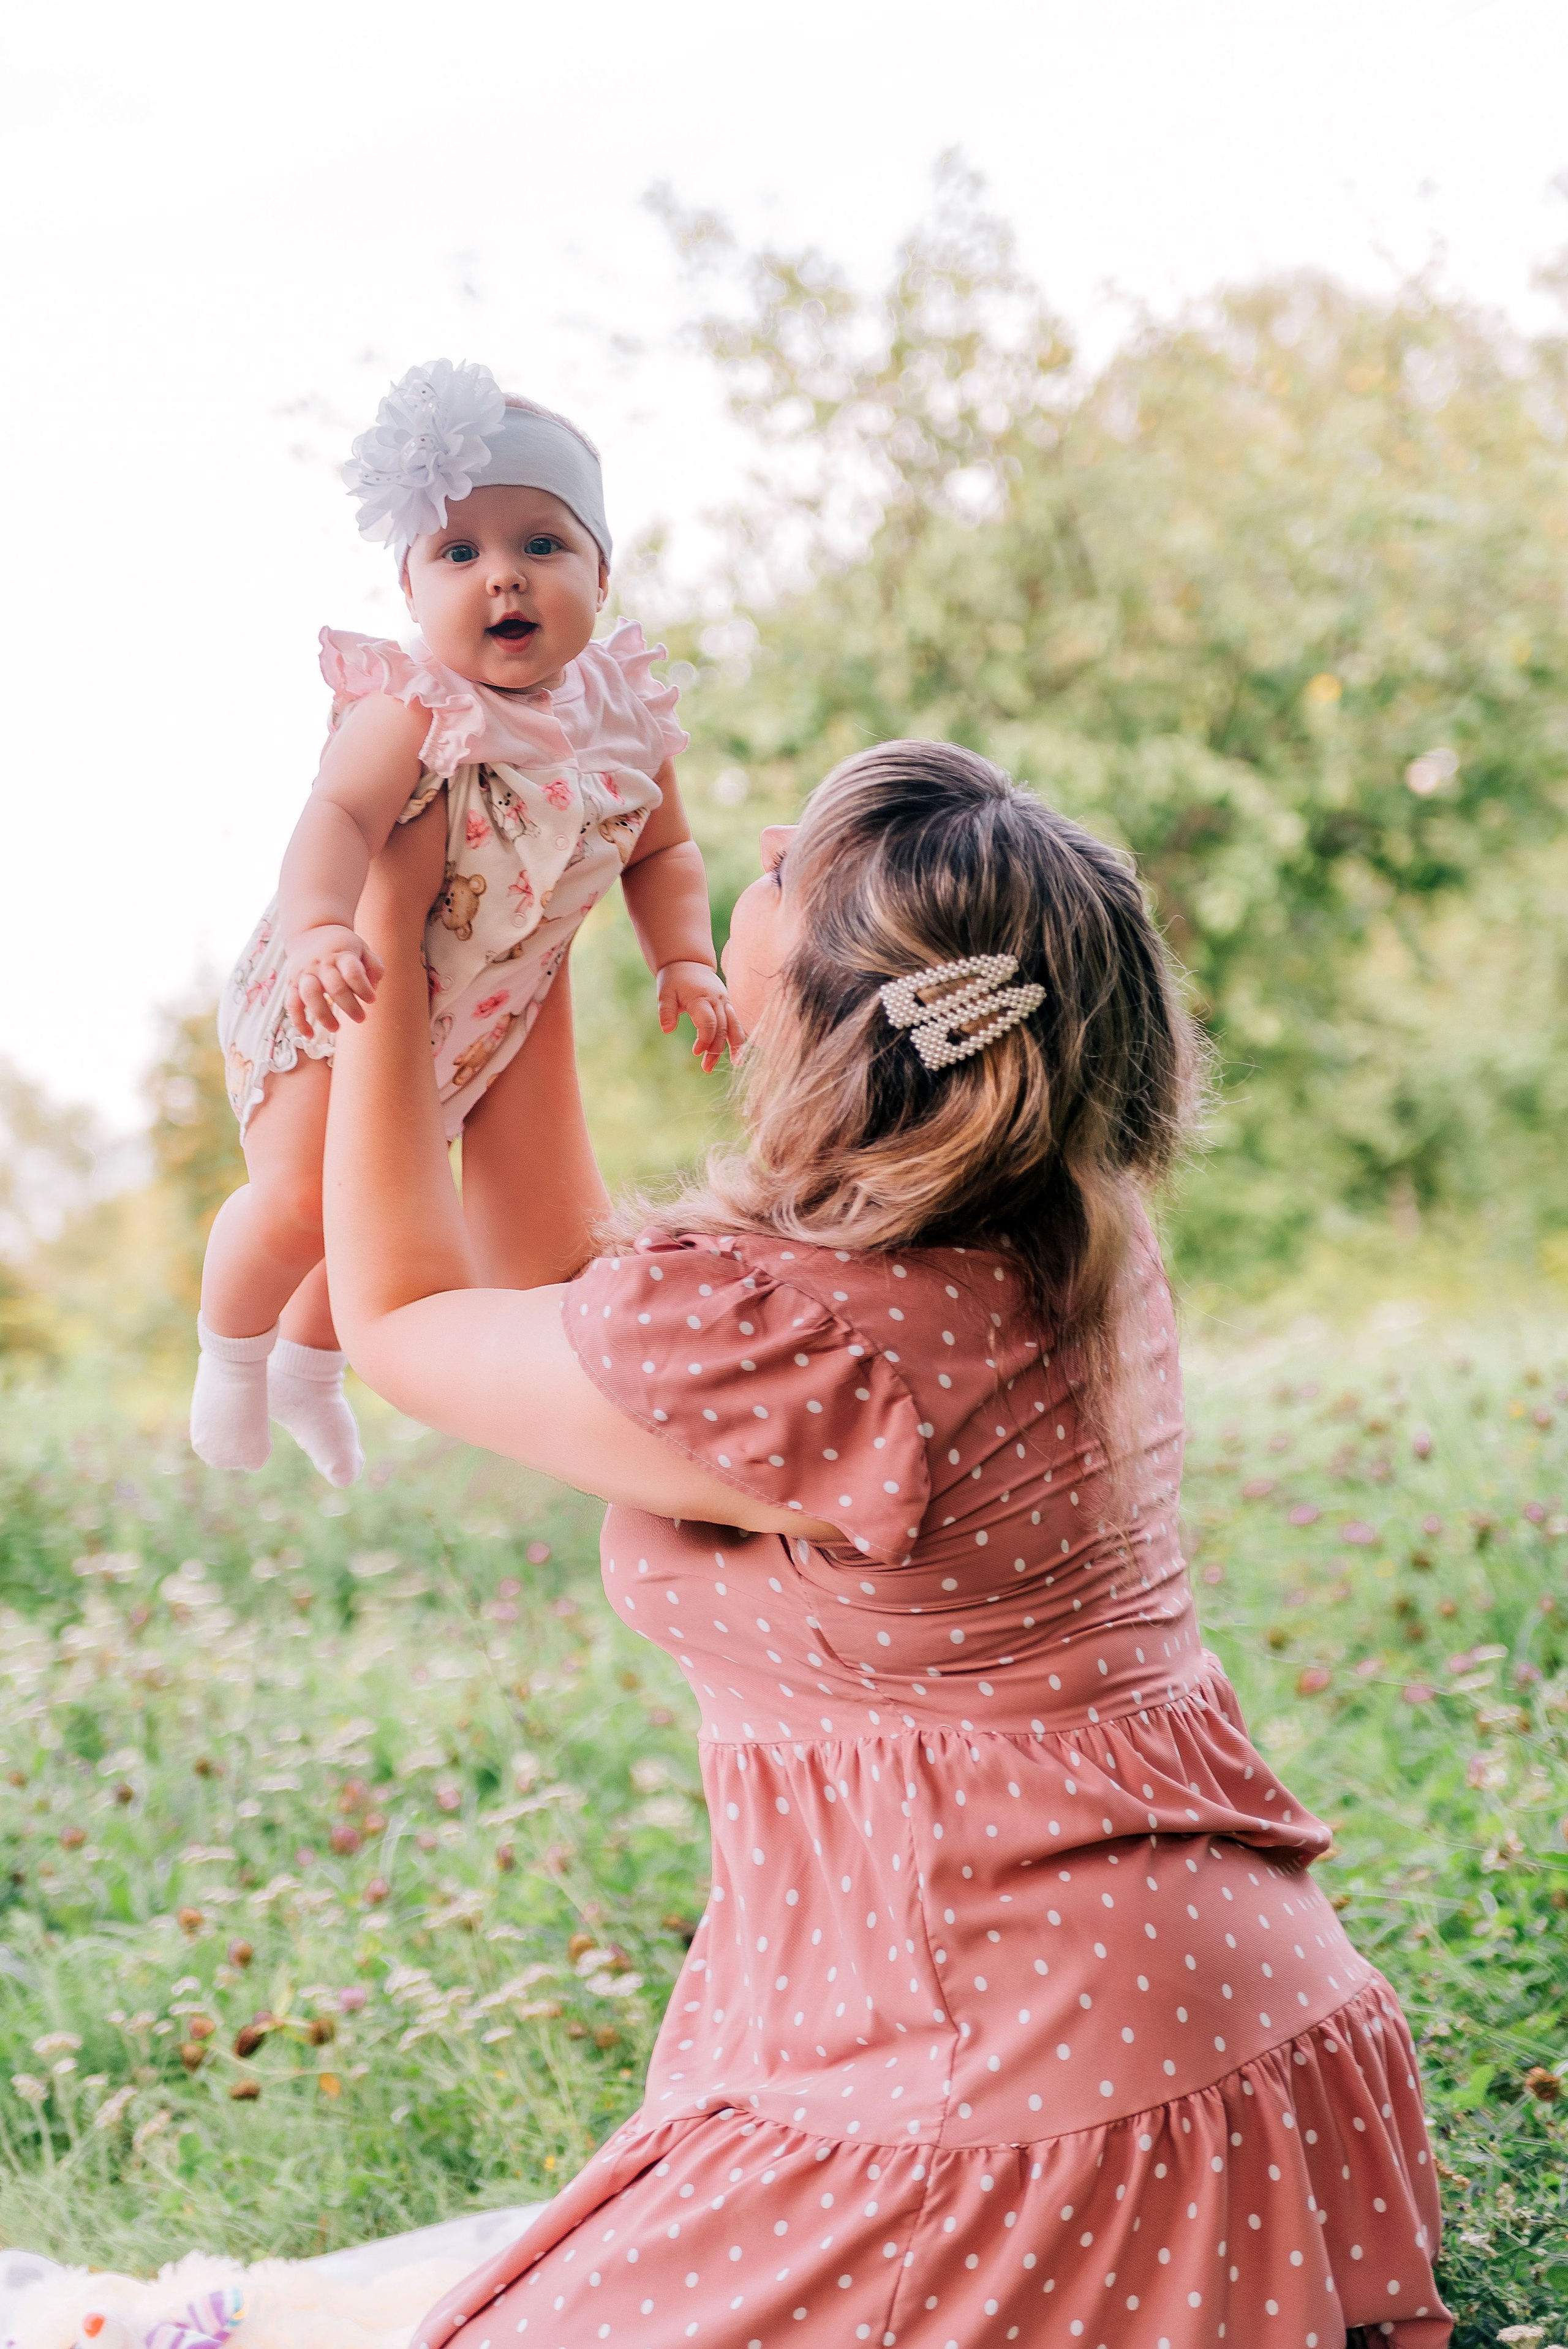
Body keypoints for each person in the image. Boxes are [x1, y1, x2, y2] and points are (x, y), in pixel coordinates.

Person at [323, 741, 1451, 2348]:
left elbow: (414, 1317)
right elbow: (567, 1291)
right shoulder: (1072, 1234)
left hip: (1017, 2090)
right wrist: (531, 925)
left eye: (793, 871)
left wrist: (387, 905)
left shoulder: (795, 1341)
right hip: (1252, 2034)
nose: (762, 842)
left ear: (870, 1016)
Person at [191, 359, 739, 1487]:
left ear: (600, 570)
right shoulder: (418, 706)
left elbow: (665, 848)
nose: (505, 580)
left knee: (388, 1216)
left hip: (476, 1023)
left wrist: (685, 958)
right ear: (410, 588)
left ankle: (309, 1370)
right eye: (460, 554)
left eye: (543, 546)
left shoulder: (625, 714)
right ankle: (231, 1355)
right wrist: (319, 930)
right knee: (303, 1193)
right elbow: (337, 817)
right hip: (332, 996)